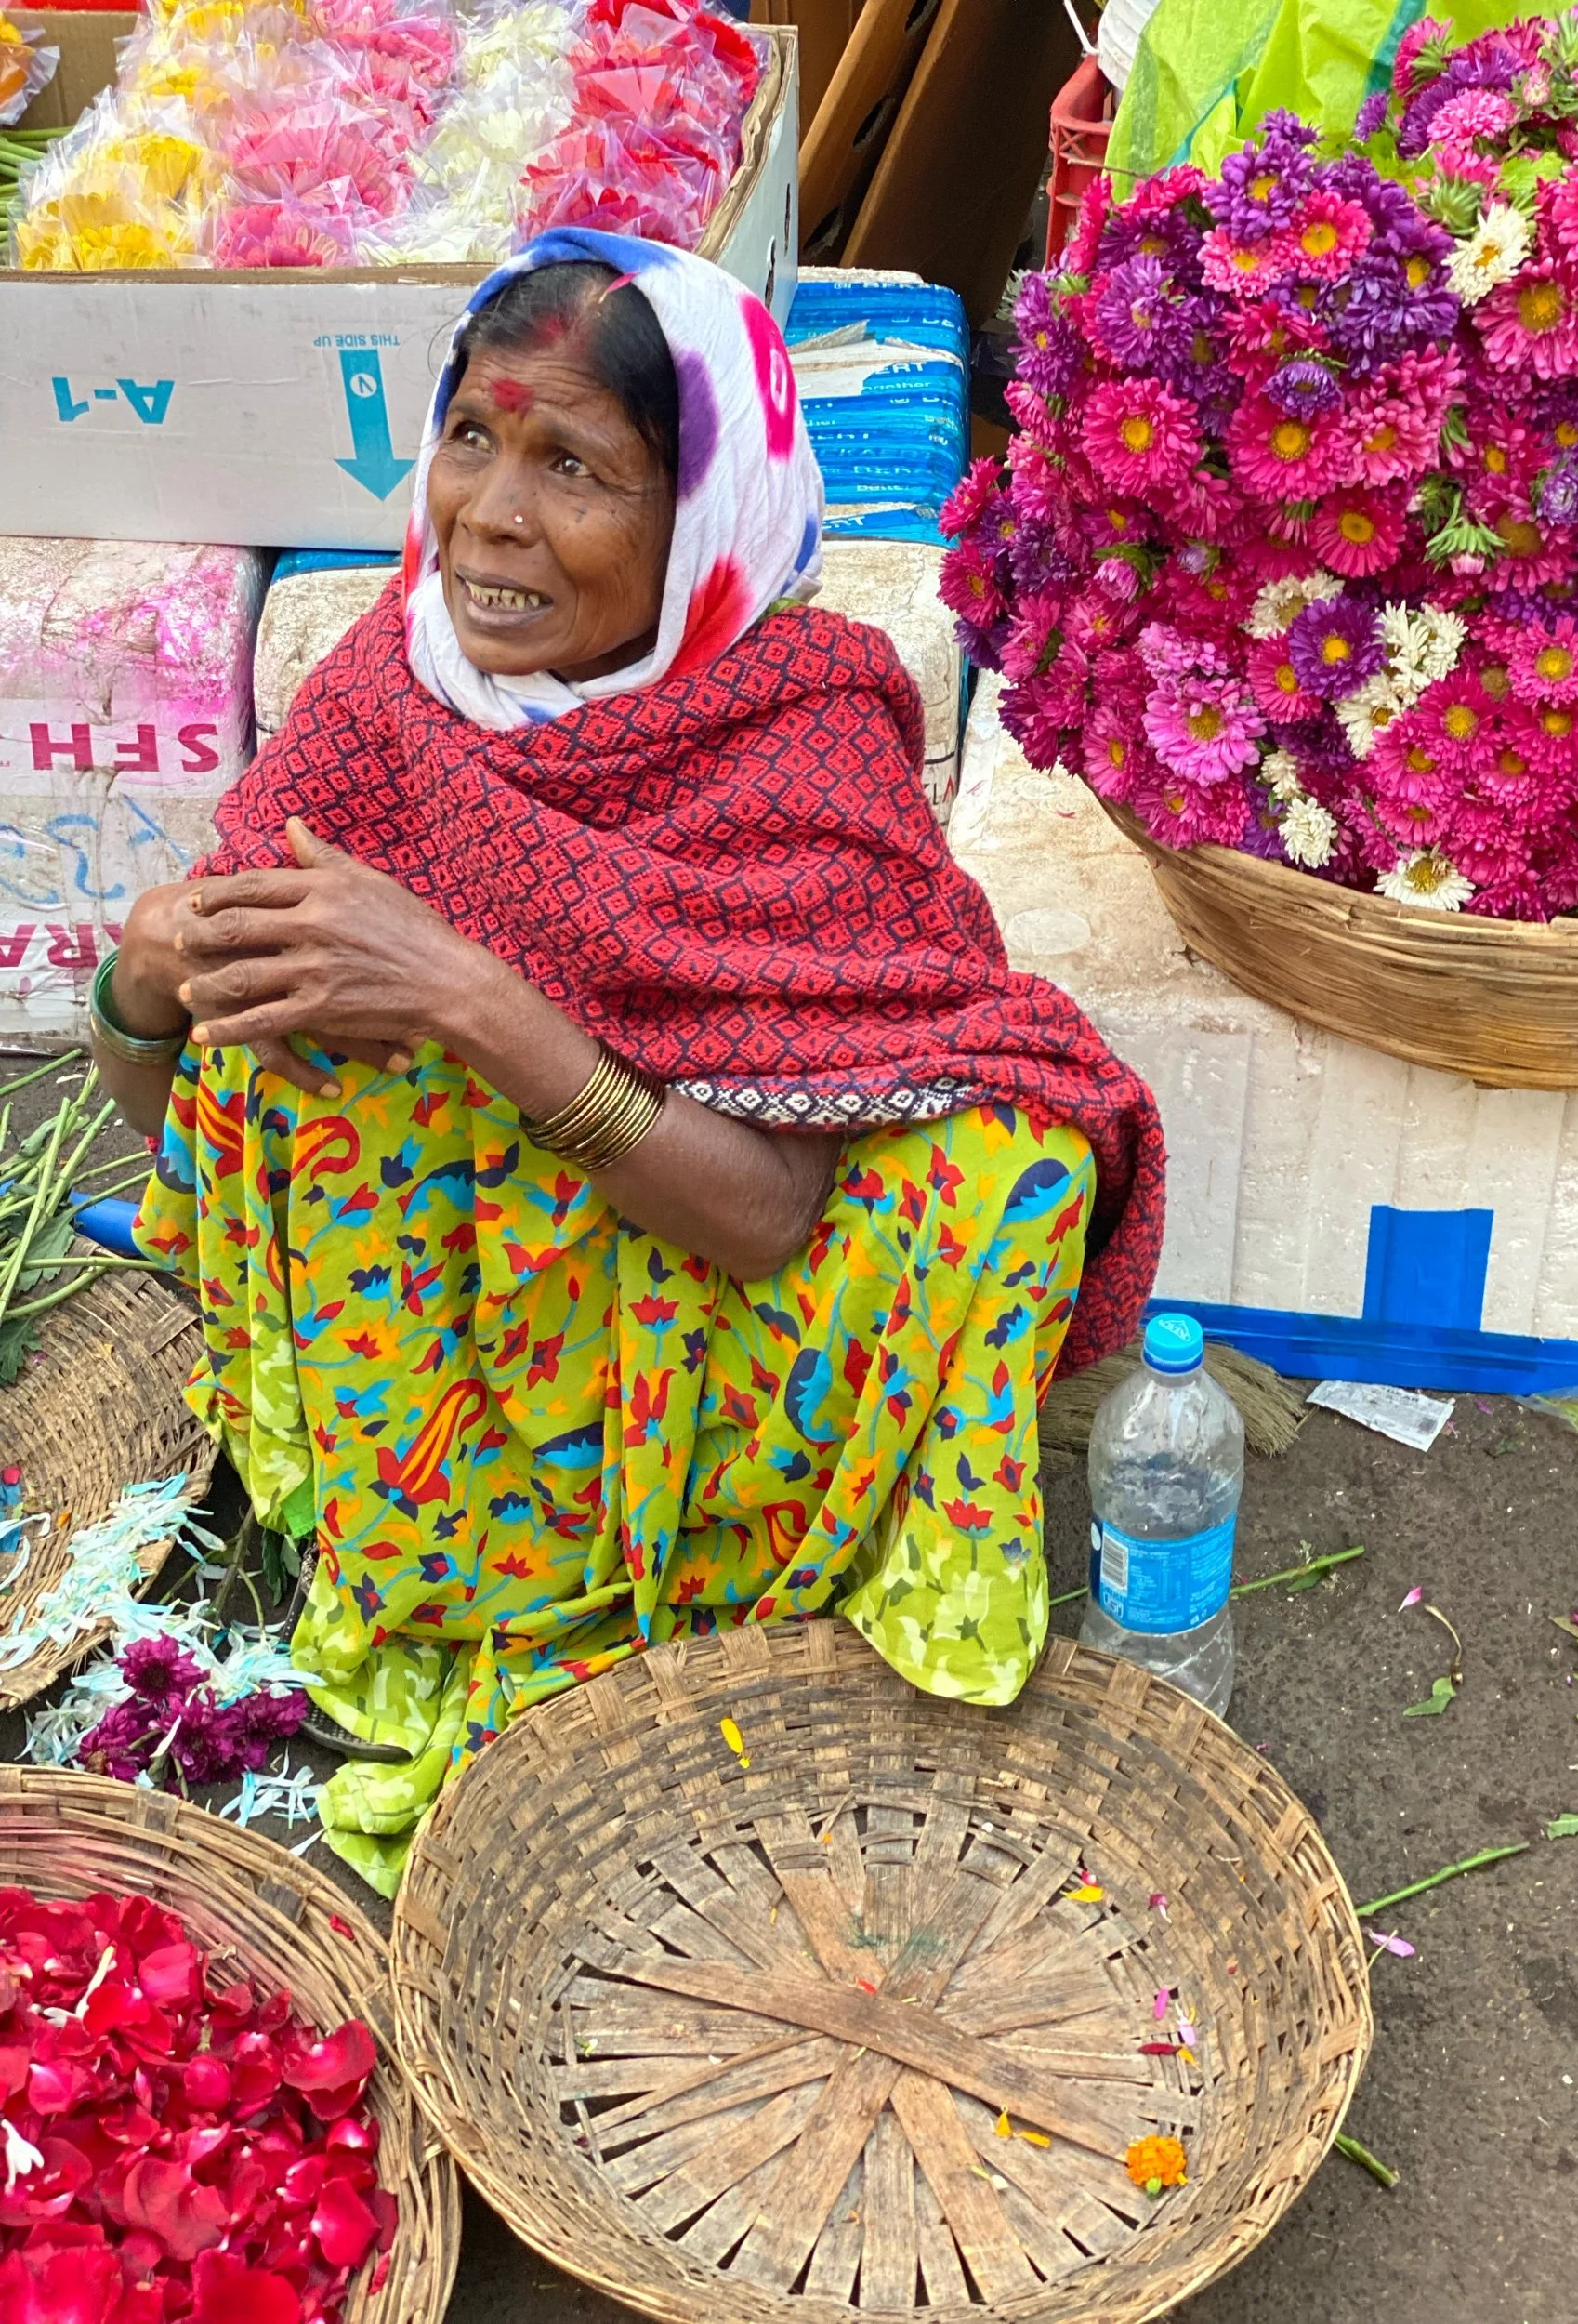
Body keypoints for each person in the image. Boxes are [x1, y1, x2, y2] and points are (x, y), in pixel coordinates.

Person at [92, 229, 1166, 1895]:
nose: (491, 518)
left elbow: (762, 1218)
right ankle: (472, 1554)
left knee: (1003, 1165)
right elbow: (208, 1141)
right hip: (440, 1367)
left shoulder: (796, 735)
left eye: (574, 466)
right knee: (329, 1036)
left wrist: (473, 999)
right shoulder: (384, 703)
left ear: (699, 518)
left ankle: (731, 1560)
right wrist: (147, 988)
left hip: (726, 1340)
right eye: (471, 437)